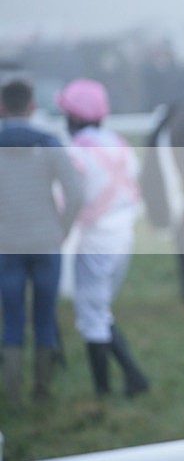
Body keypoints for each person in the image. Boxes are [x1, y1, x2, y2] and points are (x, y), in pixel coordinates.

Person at [57, 78, 149, 398]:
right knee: (100, 311)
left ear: (76, 117)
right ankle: (133, 379)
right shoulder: (119, 144)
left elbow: (67, 198)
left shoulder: (75, 152)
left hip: (95, 240)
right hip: (124, 237)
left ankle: (105, 391)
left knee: (91, 316)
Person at [0, 79, 83, 409]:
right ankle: (42, 392)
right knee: (45, 317)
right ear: (32, 106)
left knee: (13, 319)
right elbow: (75, 194)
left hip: (7, 243)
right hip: (47, 239)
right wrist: (61, 230)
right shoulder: (50, 143)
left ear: (2, 108)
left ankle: (14, 397)